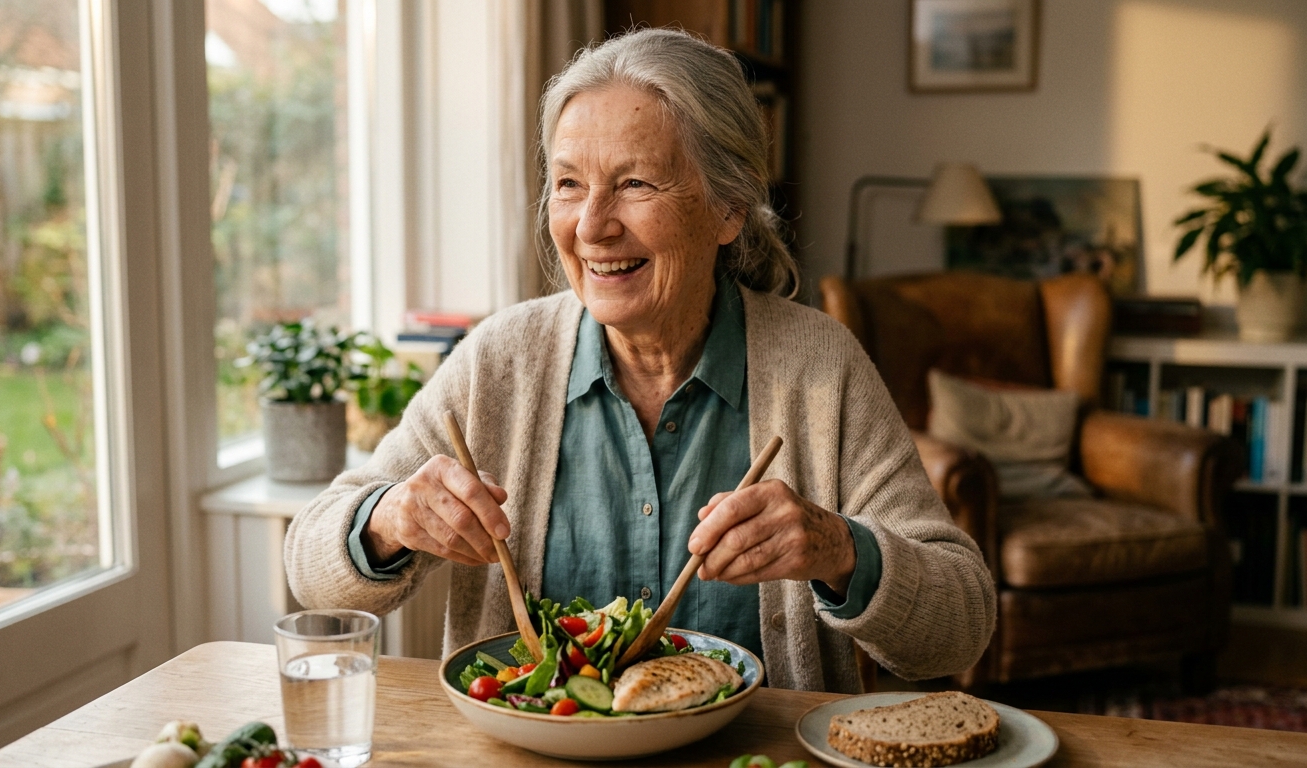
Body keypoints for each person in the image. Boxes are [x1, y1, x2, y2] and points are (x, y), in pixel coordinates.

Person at [284, 28, 994, 693]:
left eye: (635, 184)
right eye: (568, 184)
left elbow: (960, 627)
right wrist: (390, 519)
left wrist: (840, 550)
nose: (592, 226)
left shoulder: (818, 365)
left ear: (728, 208)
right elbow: (312, 566)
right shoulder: (501, 359)